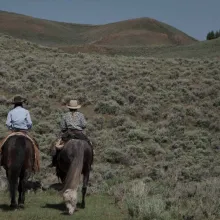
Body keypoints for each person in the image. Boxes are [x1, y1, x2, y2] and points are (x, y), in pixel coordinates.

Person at [49, 99, 93, 167]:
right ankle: (89, 163)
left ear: (69, 108)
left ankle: (54, 162)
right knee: (90, 144)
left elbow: (63, 127)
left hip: (68, 133)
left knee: (56, 146)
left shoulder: (65, 115)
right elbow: (84, 125)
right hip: (79, 133)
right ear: (77, 108)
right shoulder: (81, 115)